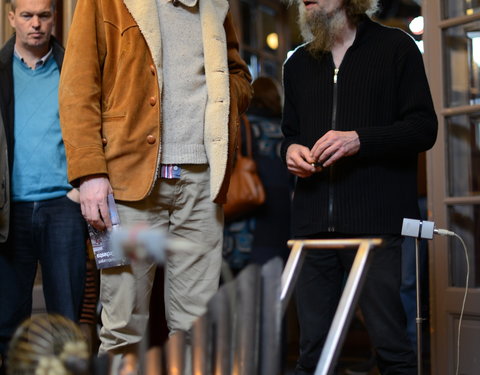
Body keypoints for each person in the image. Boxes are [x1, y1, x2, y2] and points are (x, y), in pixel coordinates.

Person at [58, 0, 252, 373]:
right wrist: (90, 174)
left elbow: (238, 74)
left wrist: (222, 99)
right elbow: (78, 88)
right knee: (122, 327)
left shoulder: (215, 5)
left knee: (197, 328)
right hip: (128, 183)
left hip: (201, 182)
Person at [281, 0, 438, 374]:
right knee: (312, 355)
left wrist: (359, 140)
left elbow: (424, 128)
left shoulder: (396, 48)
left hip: (378, 227)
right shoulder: (297, 64)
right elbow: (290, 135)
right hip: (313, 230)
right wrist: (291, 151)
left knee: (391, 349)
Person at [0, 0, 87, 373]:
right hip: (9, 211)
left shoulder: (74, 68)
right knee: (7, 321)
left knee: (65, 318)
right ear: (11, 18)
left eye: (44, 15)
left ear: (54, 17)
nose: (36, 24)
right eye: (27, 15)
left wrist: (83, 183)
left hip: (63, 207)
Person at [223, 76, 292, 272]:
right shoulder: (286, 130)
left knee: (238, 283)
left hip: (246, 208)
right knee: (273, 279)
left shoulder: (242, 125)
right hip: (281, 212)